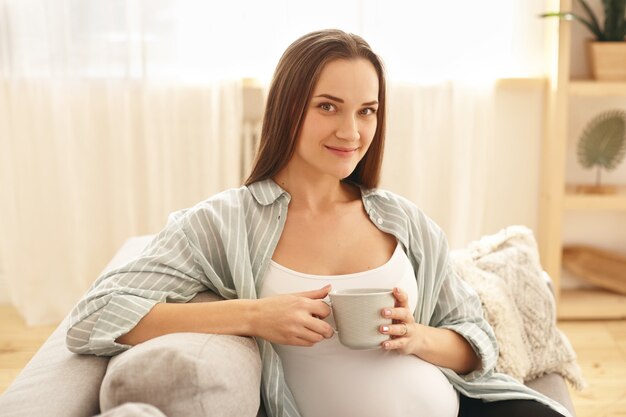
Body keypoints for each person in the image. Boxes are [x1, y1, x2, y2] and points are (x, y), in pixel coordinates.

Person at [67, 29, 572, 417]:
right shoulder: (223, 222)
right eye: (327, 107)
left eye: (367, 111)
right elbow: (93, 317)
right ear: (288, 108)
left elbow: (476, 340)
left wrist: (417, 337)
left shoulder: (402, 220)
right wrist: (252, 316)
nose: (351, 132)